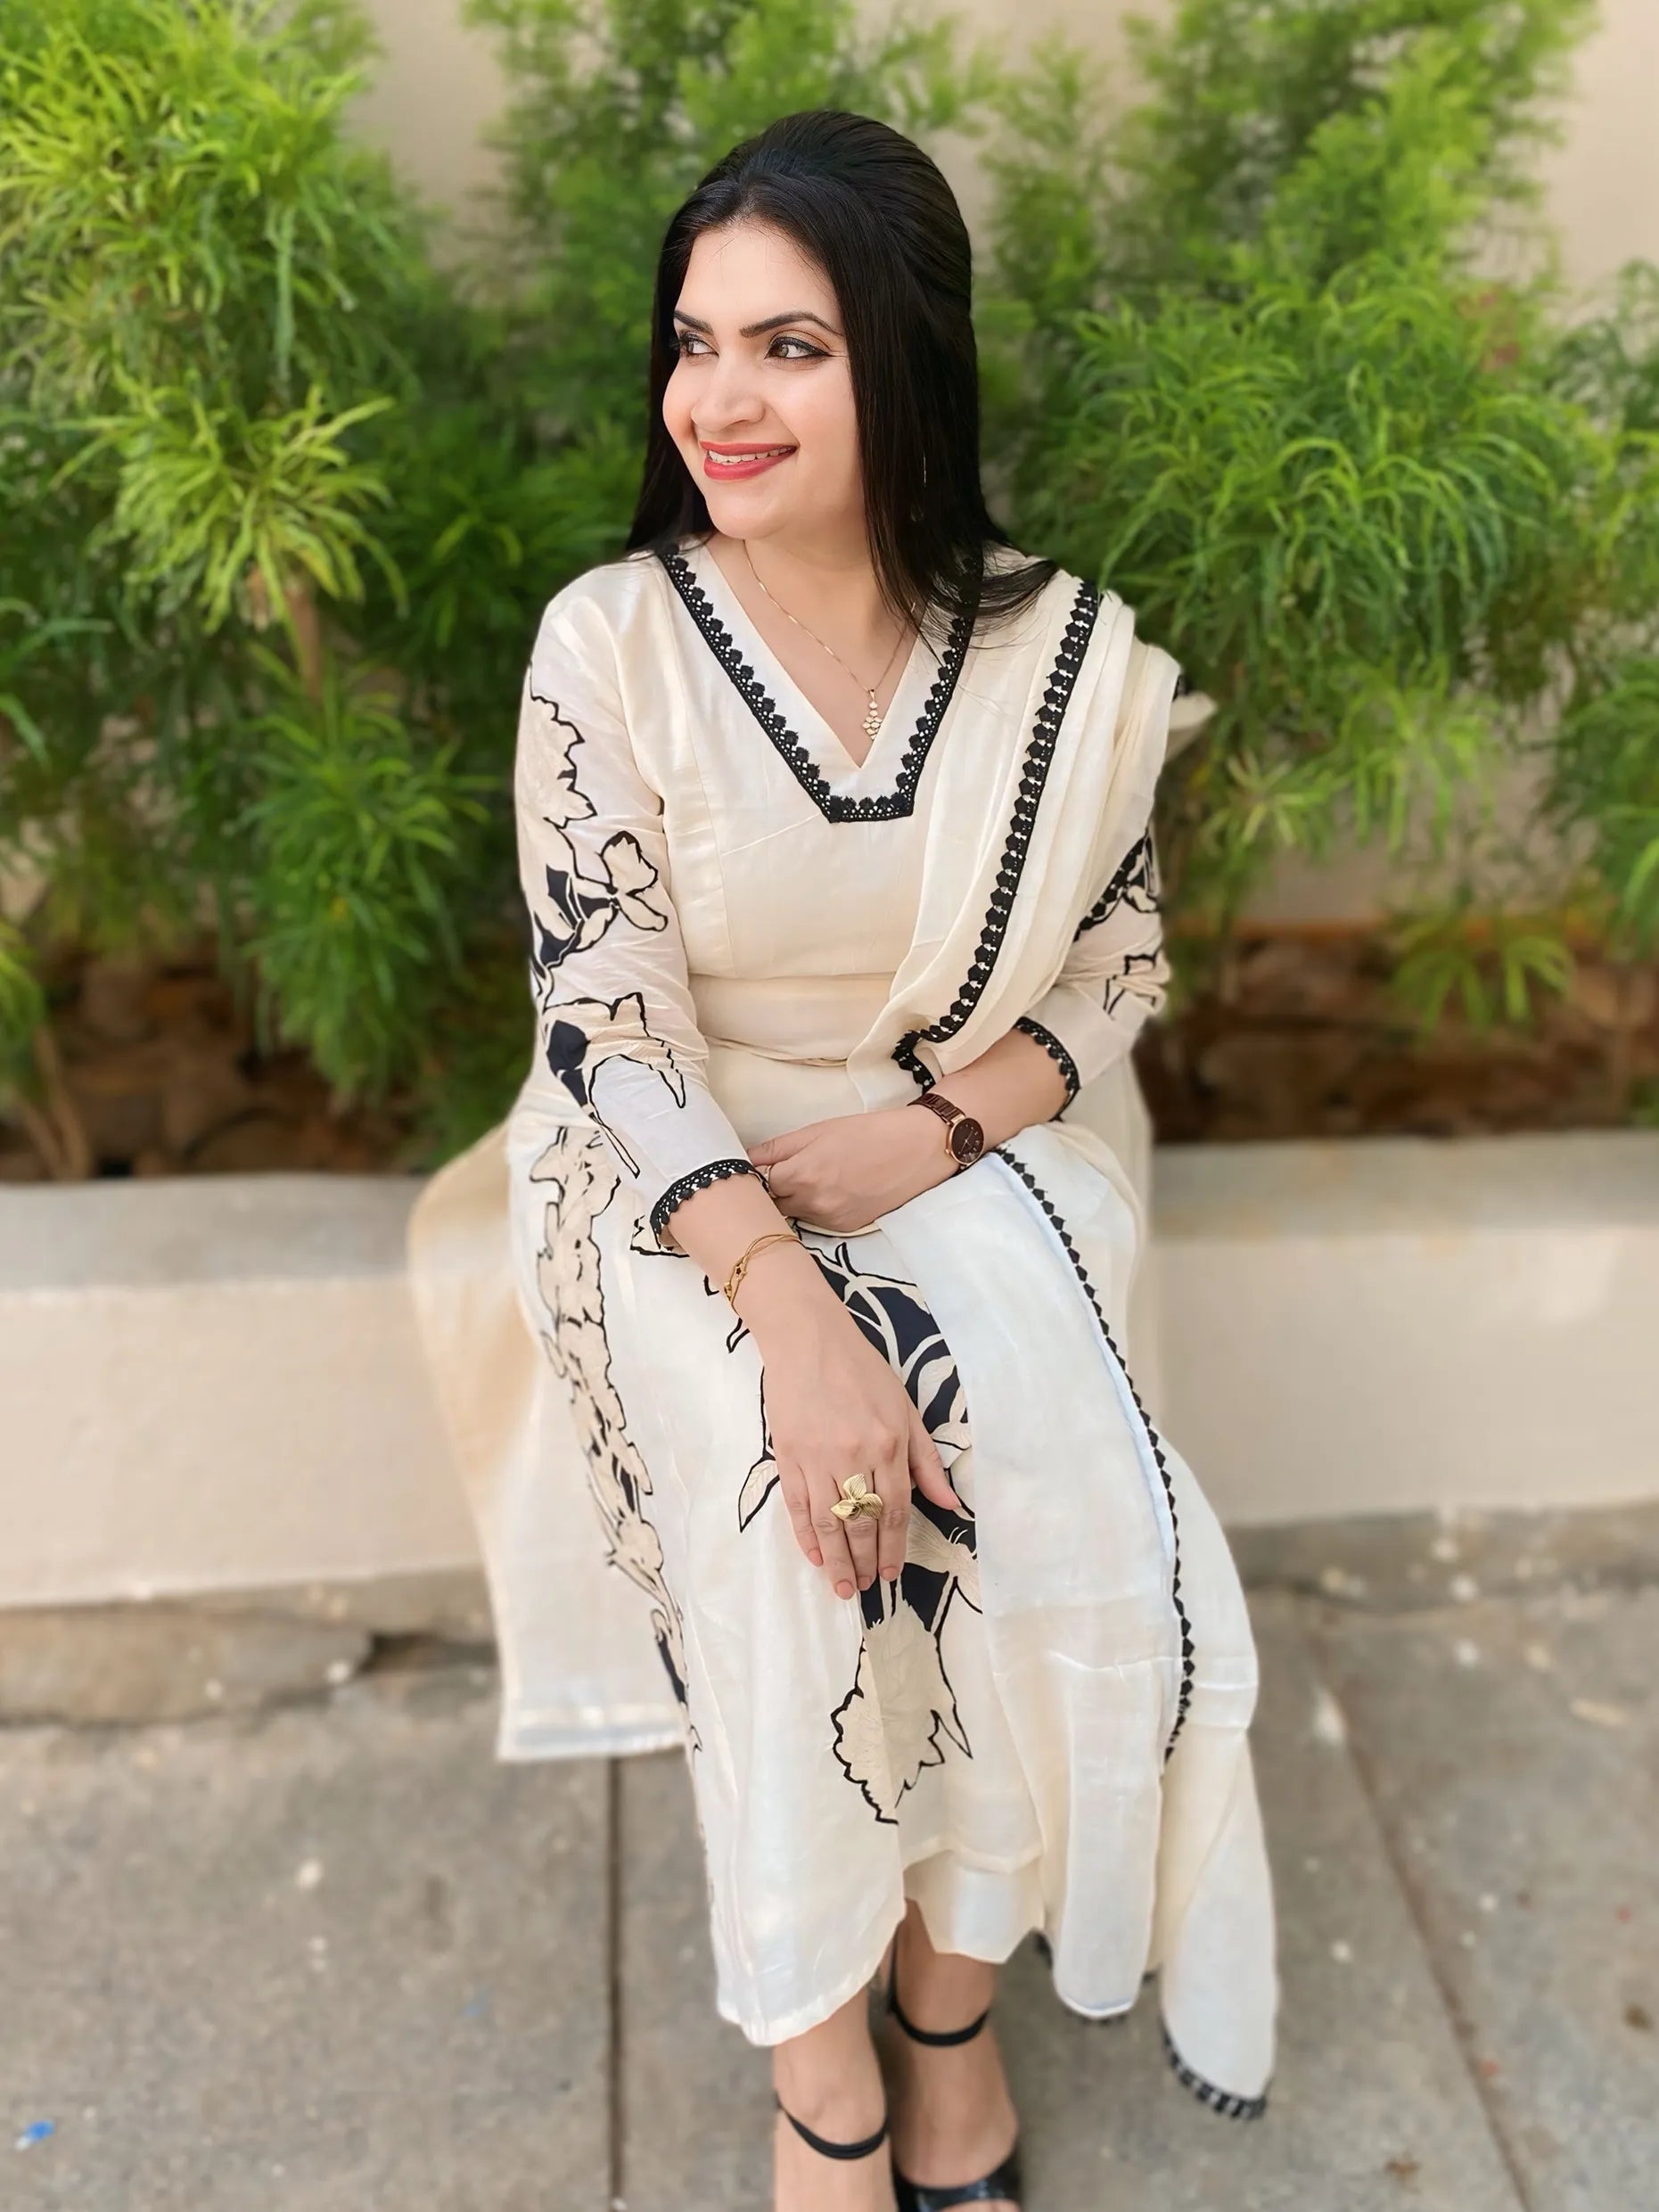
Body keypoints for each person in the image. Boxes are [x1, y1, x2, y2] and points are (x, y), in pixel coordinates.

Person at [410, 107, 1277, 2212]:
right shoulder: (611, 642)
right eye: (694, 342)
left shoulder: (1054, 655)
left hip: (959, 1126)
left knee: (1041, 1475)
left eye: (786, 345)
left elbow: (1116, 958)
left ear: (902, 354)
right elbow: (605, 1015)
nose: (717, 396)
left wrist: (931, 1127)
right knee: (784, 1495)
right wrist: (792, 1315)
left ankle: (950, 2017)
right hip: (672, 1164)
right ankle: (825, 2074)